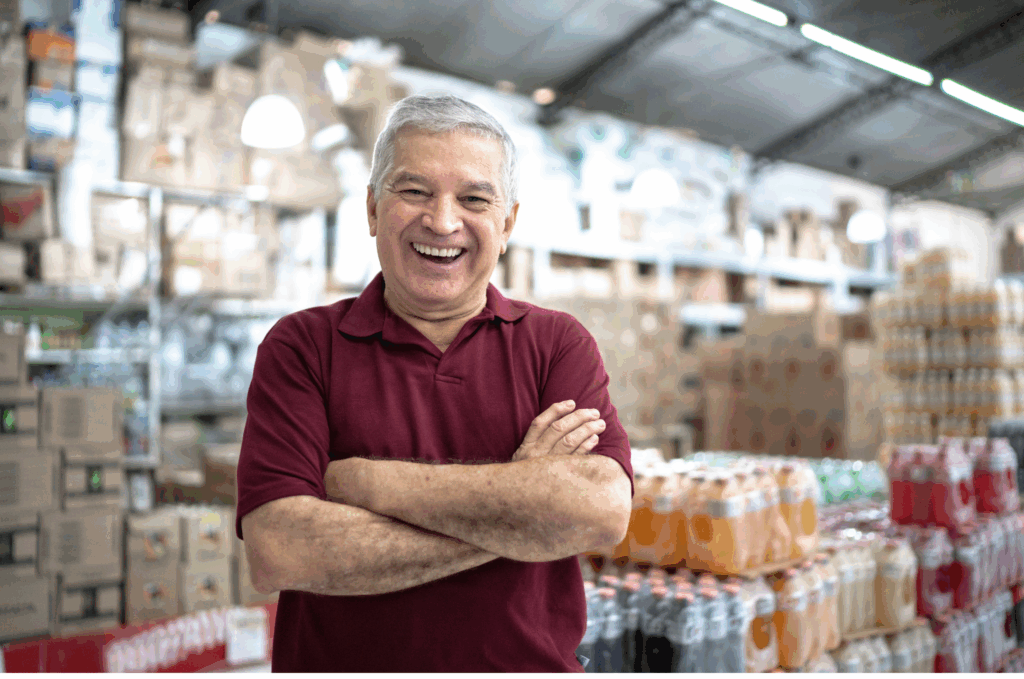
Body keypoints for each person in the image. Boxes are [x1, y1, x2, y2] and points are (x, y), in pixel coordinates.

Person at [235, 94, 634, 672]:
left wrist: (365, 482)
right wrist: (525, 511)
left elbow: (599, 512)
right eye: (414, 191)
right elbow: (281, 549)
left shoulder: (556, 345)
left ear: (506, 225)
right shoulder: (302, 347)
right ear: (373, 209)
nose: (443, 221)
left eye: (473, 199)